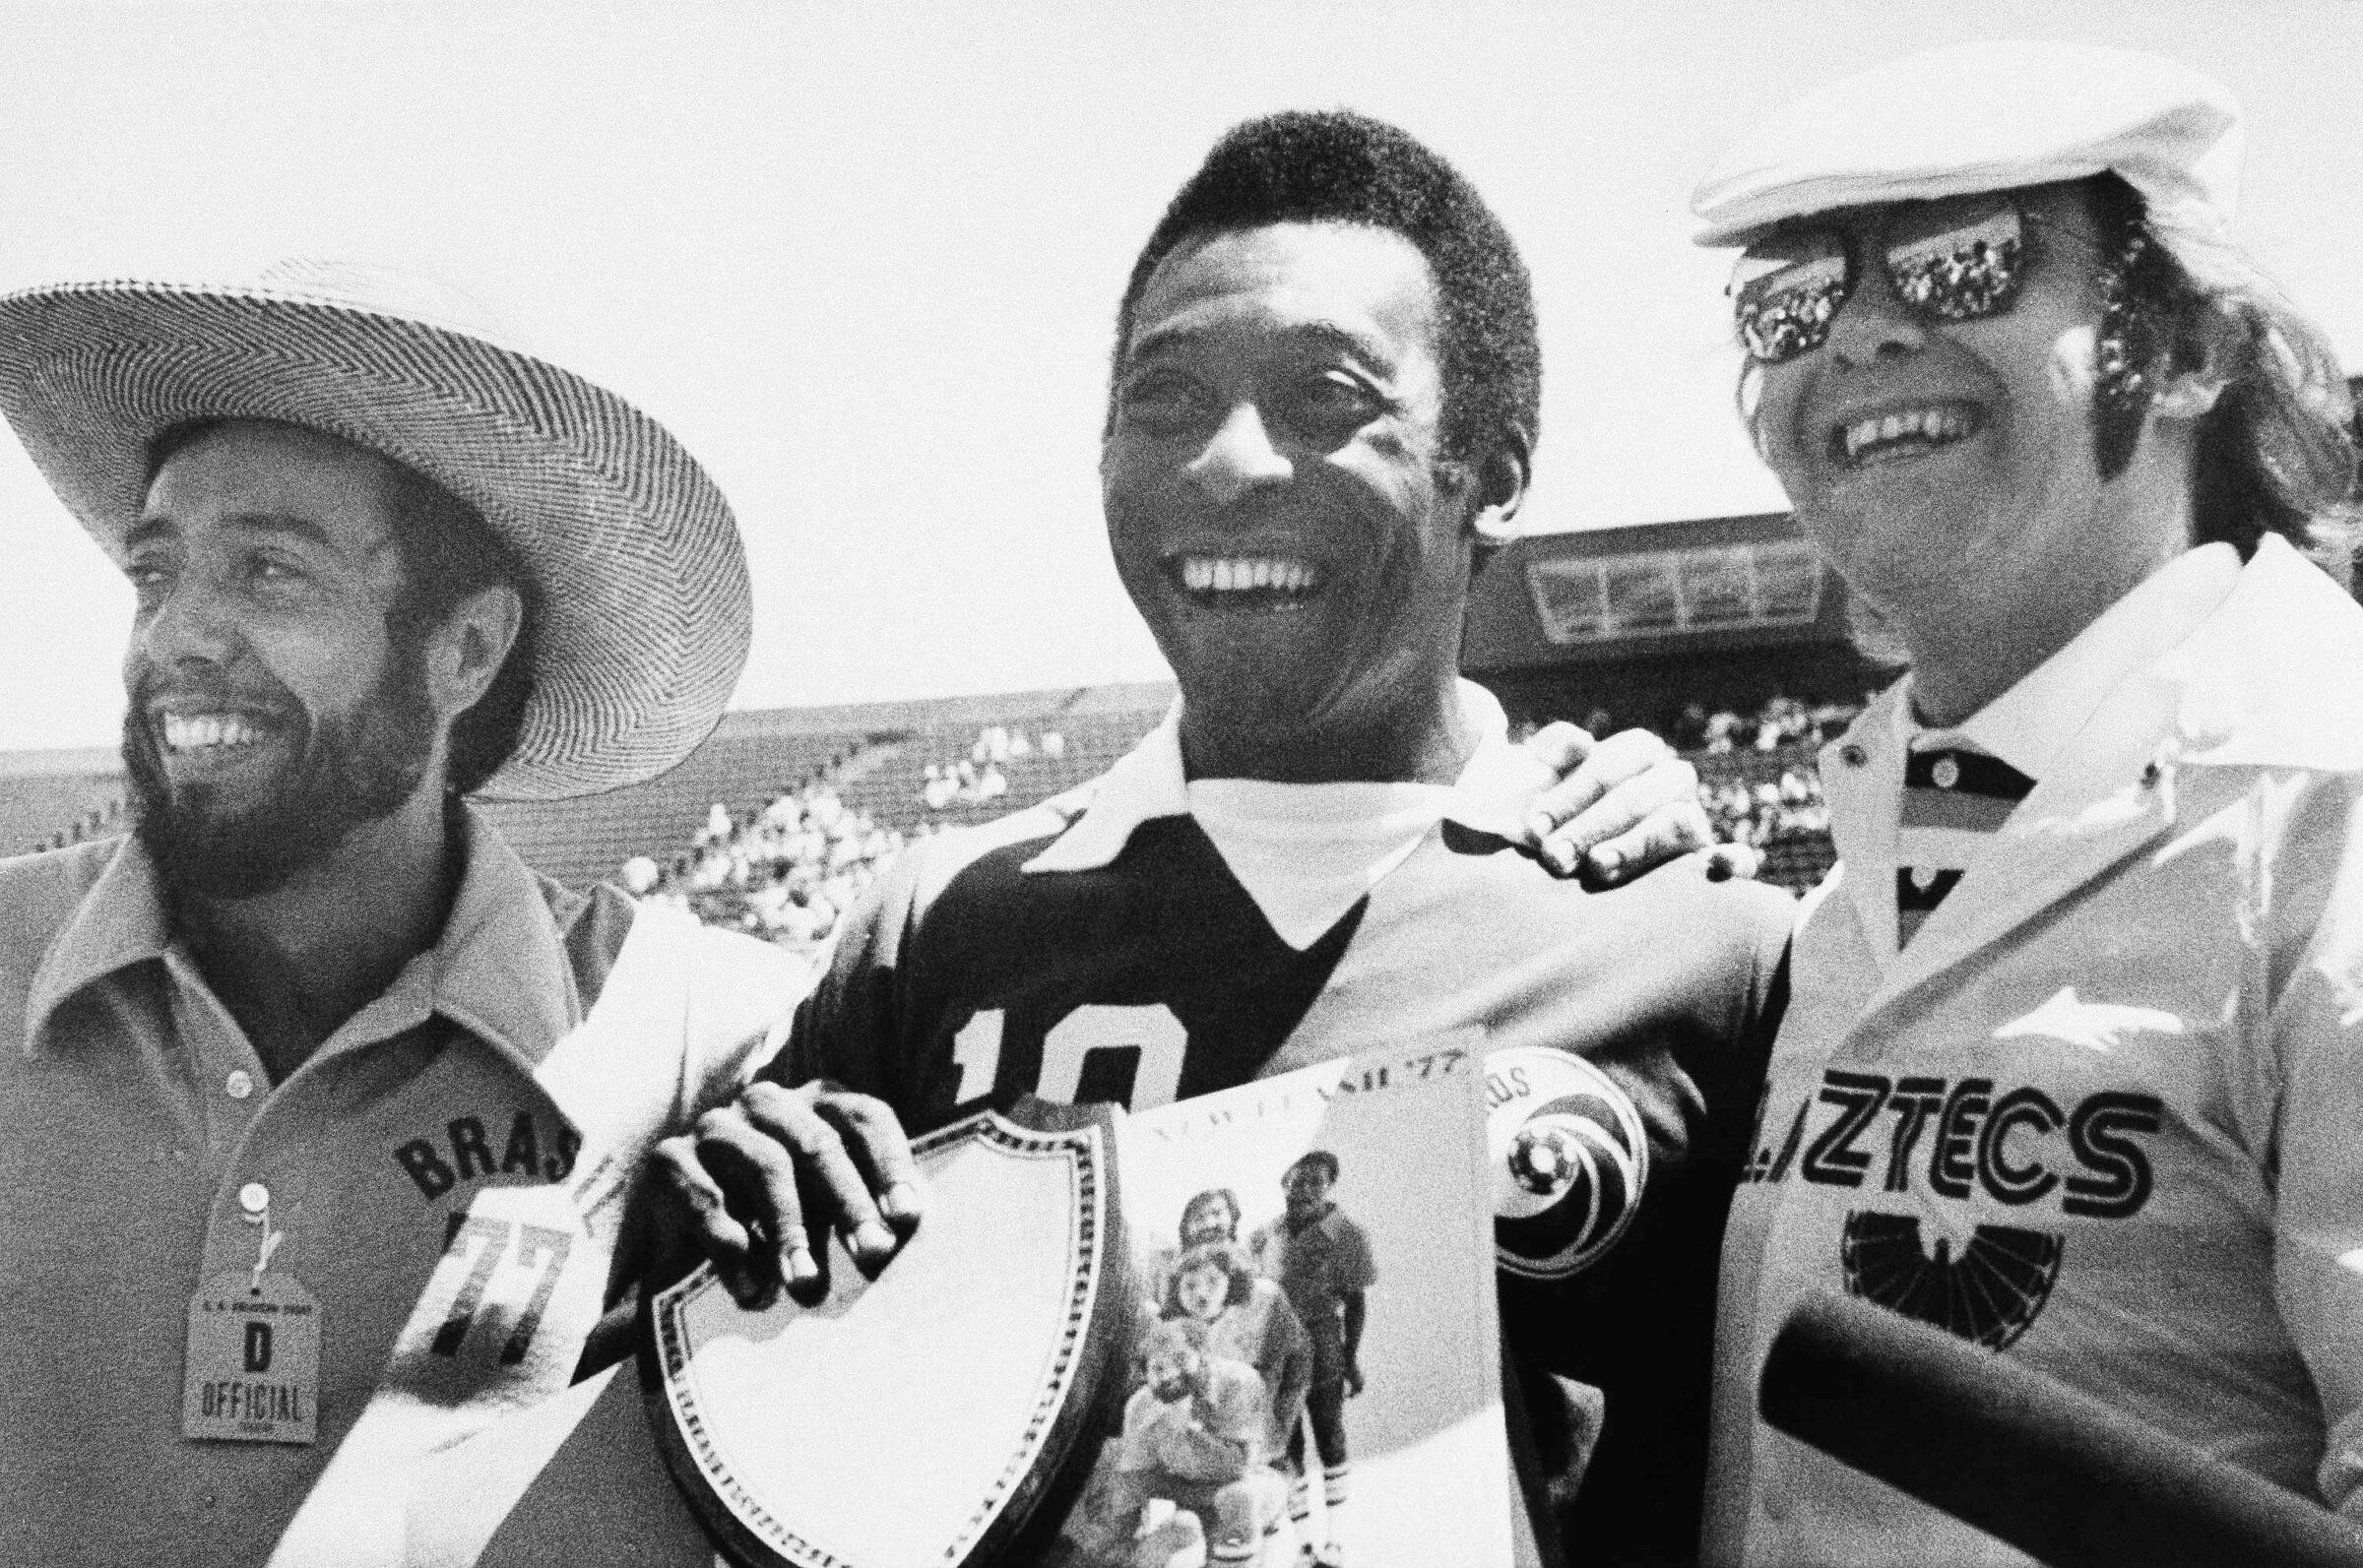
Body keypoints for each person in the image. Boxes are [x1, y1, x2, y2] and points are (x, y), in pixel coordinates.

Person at [667, 109, 1796, 1564]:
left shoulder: (1706, 951)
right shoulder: (933, 927)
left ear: (1492, 475)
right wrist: (712, 1231)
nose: (1227, 461)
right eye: (1166, 399)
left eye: (1326, 398)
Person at [0, 262, 803, 1566]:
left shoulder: (683, 1030)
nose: (175, 639)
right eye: (158, 577)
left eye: (268, 574)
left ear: (467, 650)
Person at [1681, 40, 2363, 1566]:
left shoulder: (2331, 814)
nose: (1853, 336)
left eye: (1958, 264)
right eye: (1790, 301)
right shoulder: (1860, 847)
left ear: (2186, 347)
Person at [1086, 1317, 1292, 1568]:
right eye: (1159, 1368)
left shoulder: (1238, 1382)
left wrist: (1183, 1429)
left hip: (1252, 1487)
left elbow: (1237, 1468)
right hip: (1189, 1496)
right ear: (1146, 1374)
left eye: (1181, 1359)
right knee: (1145, 1515)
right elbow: (1136, 1481)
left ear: (1202, 1354)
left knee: (1235, 1498)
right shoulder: (1141, 1406)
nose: (1172, 1373)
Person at [1249, 1152, 1375, 1560]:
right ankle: (1305, 1545)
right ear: (1283, 1183)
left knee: (1329, 1435)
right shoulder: (1264, 1235)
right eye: (1297, 1181)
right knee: (1285, 1445)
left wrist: (1351, 1359)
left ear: (1329, 1186)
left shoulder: (1346, 1233)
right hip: (1274, 1354)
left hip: (1322, 1346)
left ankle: (1334, 1540)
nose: (1304, 1189)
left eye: (1316, 1182)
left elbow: (1356, 1303)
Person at [1167, 1236, 1313, 1464]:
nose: (1201, 1294)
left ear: (1232, 1280)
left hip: (1259, 1429)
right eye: (1190, 1285)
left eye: (1213, 1281)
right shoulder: (1178, 1330)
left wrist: (1281, 1425)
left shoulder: (1264, 1303)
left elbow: (1299, 1361)